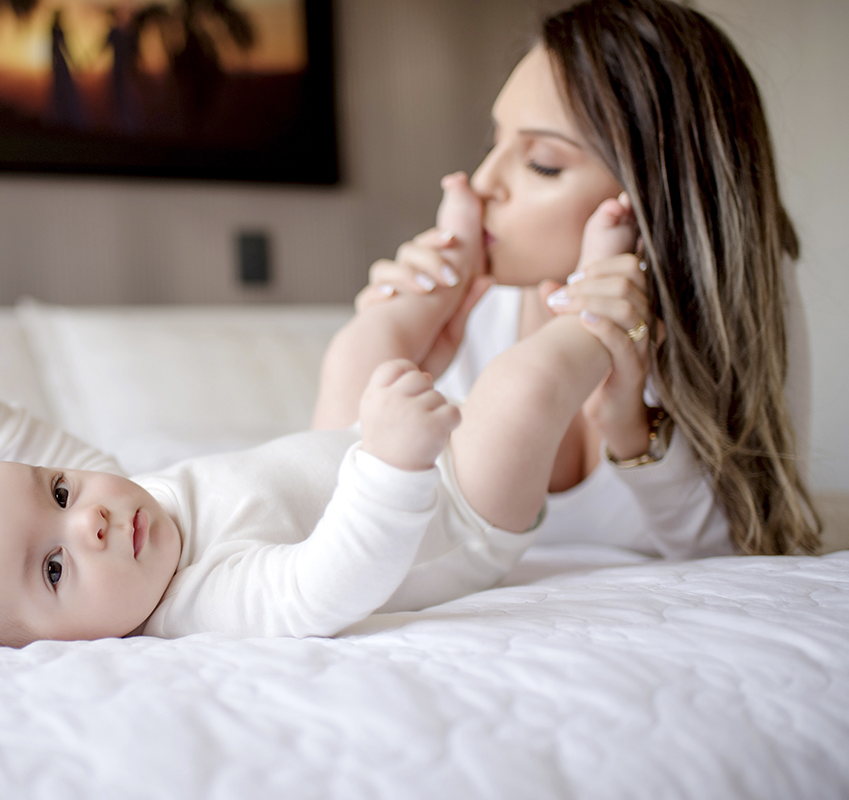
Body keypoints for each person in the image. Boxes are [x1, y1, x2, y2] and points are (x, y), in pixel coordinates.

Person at [0, 200, 635, 651]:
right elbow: (325, 586)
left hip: (361, 455)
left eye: (63, 495)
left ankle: (460, 260)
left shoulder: (128, 512)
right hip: (455, 514)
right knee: (522, 386)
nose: (90, 524)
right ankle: (602, 304)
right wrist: (394, 465)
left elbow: (55, 455)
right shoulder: (201, 599)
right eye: (52, 569)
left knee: (359, 344)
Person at [336, 0, 821, 558]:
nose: (483, 182)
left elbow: (752, 556)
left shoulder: (735, 301)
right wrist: (382, 343)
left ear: (656, 196)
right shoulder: (461, 301)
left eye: (542, 162)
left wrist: (632, 428)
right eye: (494, 143)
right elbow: (340, 538)